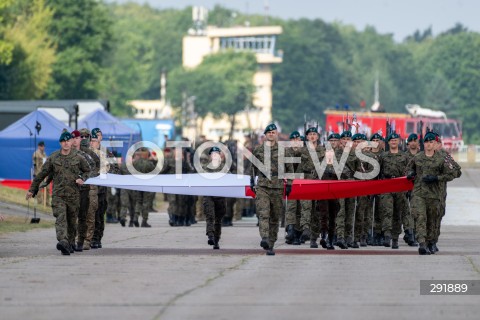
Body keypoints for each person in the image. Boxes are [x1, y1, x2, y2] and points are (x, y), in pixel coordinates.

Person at [26, 131, 91, 256]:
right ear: (60, 143)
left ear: (72, 142)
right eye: (63, 141)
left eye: (68, 141)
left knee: (72, 222)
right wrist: (32, 189)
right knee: (61, 218)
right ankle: (63, 241)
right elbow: (41, 174)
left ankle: (70, 242)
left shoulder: (79, 157)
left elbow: (88, 171)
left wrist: (82, 178)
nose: (66, 143)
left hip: (73, 196)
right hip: (58, 195)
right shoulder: (53, 157)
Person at [406, 132, 459, 255]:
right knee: (420, 217)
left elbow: (455, 173)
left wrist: (437, 178)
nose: (429, 145)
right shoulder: (418, 157)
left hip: (435, 195)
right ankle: (422, 243)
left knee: (432, 220)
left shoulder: (442, 158)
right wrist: (410, 174)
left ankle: (431, 241)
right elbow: (409, 168)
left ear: (436, 144)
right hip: (418, 194)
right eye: (426, 142)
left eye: (431, 142)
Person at [251, 123, 294, 256]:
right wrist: (251, 182)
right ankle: (264, 237)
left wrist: (290, 184)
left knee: (275, 216)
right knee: (264, 213)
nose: (271, 134)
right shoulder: (258, 150)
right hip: (263, 185)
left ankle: (271, 244)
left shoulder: (283, 150)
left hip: (277, 186)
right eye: (269, 132)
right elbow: (252, 169)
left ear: (276, 134)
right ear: (265, 135)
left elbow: (290, 169)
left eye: (273, 132)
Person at [203, 146, 227, 249]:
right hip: (209, 196)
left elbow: (231, 180)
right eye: (213, 154)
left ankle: (216, 239)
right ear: (210, 156)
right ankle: (210, 236)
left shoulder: (225, 168)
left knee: (218, 220)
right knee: (210, 216)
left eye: (217, 153)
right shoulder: (205, 168)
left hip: (220, 197)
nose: (215, 155)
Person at [32, 141, 50, 206]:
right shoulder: (36, 153)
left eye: (44, 146)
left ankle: (47, 202)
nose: (43, 147)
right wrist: (35, 172)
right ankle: (39, 202)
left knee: (47, 188)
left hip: (45, 174)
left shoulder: (44, 154)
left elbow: (47, 161)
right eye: (42, 146)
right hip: (39, 173)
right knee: (39, 189)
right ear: (39, 146)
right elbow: (34, 163)